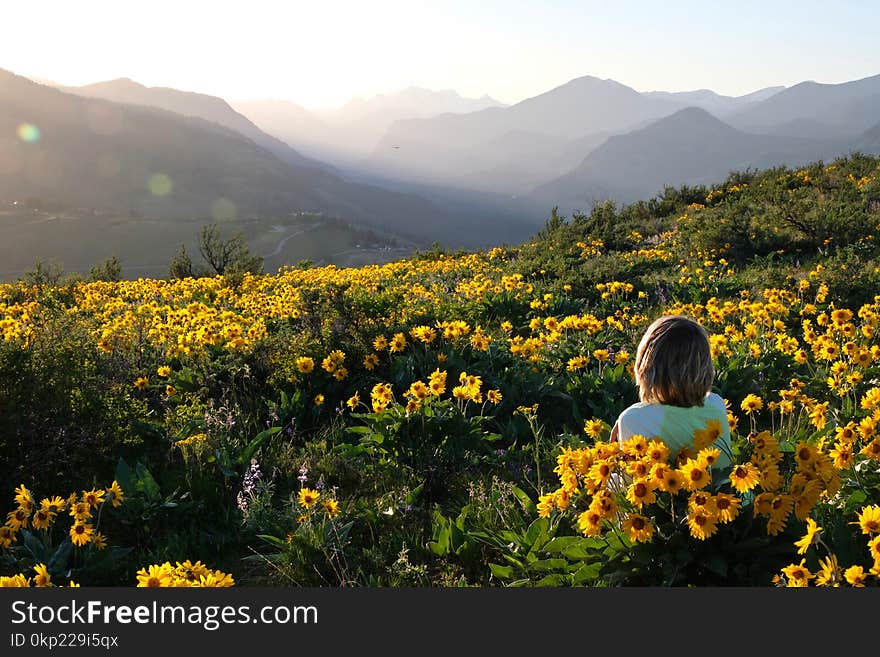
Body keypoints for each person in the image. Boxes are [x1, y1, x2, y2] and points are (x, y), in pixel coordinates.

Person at [610, 314, 733, 473]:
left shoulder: (633, 419)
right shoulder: (717, 404)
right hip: (724, 494)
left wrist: (625, 421)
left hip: (664, 495)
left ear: (647, 366)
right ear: (705, 366)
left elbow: (630, 483)